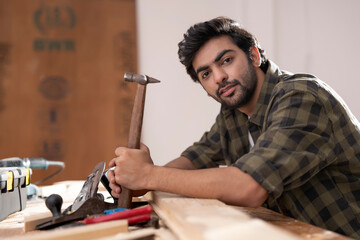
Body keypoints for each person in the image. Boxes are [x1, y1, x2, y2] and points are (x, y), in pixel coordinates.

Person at [107, 17, 360, 238]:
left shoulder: (301, 96)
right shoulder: (233, 113)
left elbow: (248, 187)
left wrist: (150, 175)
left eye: (226, 60)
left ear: (254, 56)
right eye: (206, 74)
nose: (218, 77)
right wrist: (140, 179)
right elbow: (196, 157)